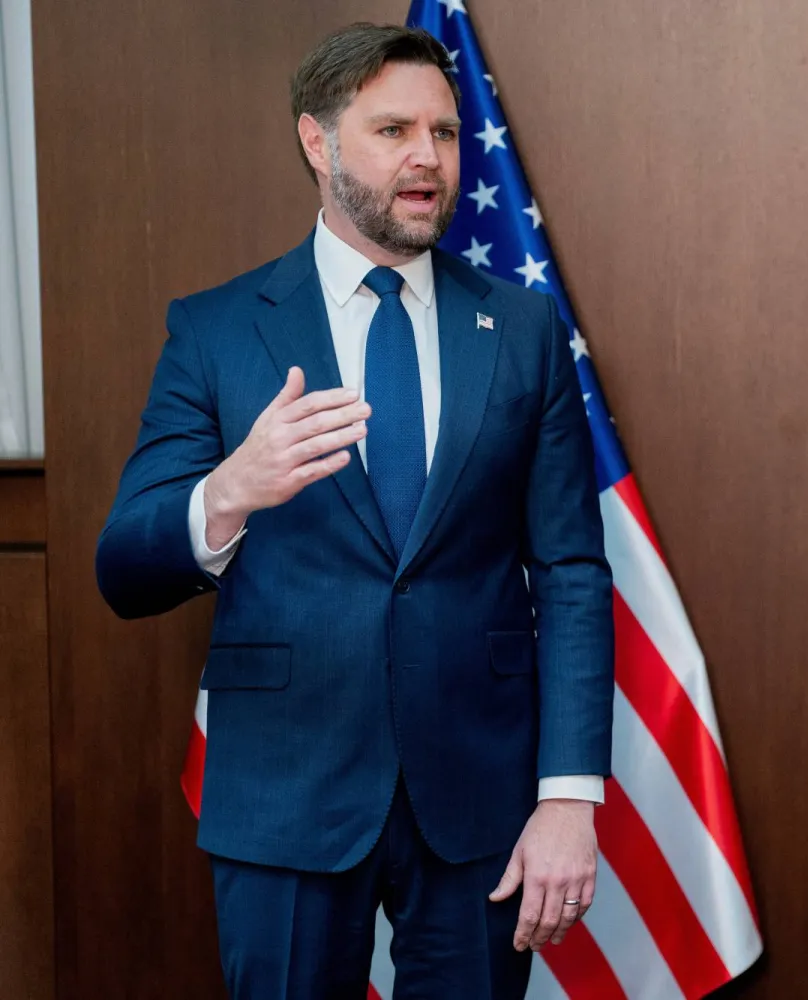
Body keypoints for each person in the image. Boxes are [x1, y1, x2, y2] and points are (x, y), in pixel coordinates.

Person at [95, 23, 613, 999]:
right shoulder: (215, 330)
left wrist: (569, 796)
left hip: (478, 802)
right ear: (317, 141)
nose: (429, 158)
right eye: (393, 130)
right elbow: (123, 568)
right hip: (284, 795)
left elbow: (573, 573)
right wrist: (230, 490)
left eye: (445, 133)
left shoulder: (523, 327)